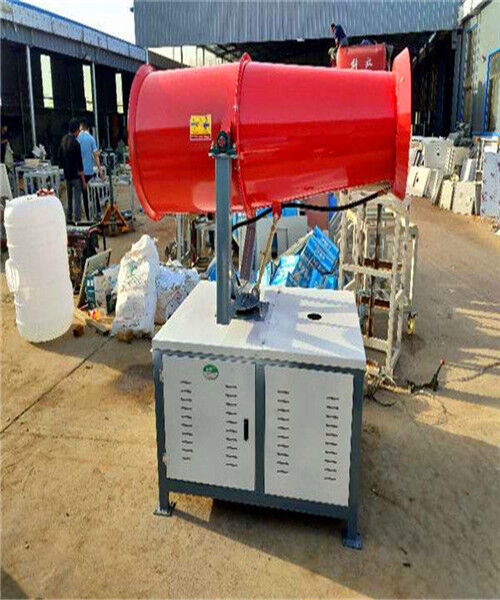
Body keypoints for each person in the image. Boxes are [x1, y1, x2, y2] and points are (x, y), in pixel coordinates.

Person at [59, 119, 85, 224]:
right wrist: (83, 179)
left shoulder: (63, 141)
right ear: (76, 130)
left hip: (67, 175)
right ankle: (77, 220)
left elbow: (59, 158)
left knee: (69, 199)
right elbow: (80, 163)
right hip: (76, 176)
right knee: (77, 199)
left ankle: (69, 219)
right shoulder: (76, 143)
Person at [78, 117, 102, 220]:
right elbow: (96, 156)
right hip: (89, 172)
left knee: (84, 195)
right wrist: (100, 169)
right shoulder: (91, 139)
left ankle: (88, 216)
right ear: (88, 128)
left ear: (81, 126)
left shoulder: (77, 139)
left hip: (80, 172)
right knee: (94, 192)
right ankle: (98, 212)